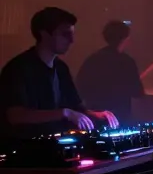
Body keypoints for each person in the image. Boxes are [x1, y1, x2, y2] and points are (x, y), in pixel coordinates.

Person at [1, 8, 118, 140]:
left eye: (72, 34)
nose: (71, 40)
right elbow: (16, 116)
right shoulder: (18, 68)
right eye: (65, 34)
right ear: (44, 34)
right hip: (25, 150)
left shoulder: (61, 68)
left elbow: (75, 108)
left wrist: (97, 115)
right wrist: (64, 113)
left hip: (55, 146)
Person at [76, 20, 144, 127]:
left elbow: (79, 87)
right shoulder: (127, 62)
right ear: (126, 39)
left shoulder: (92, 59)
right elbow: (138, 92)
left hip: (94, 118)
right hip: (120, 118)